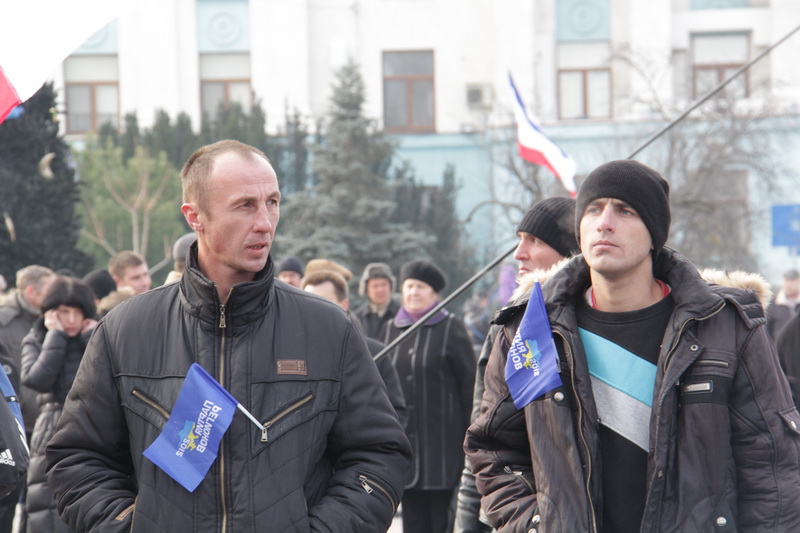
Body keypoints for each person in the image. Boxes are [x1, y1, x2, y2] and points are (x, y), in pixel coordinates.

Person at [46, 139, 411, 532]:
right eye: (245, 205)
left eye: (272, 202)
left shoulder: (329, 329)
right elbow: (78, 458)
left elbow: (379, 455)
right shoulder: (125, 330)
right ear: (195, 216)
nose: (265, 222)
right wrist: (127, 526)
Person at [465, 160, 800, 532]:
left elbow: (772, 464)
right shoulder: (530, 329)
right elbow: (493, 449)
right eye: (593, 209)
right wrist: (537, 523)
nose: (604, 223)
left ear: (654, 234)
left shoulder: (726, 326)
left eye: (625, 211)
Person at [454, 196, 579, 533]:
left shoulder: (604, 321)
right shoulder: (511, 327)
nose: (518, 253)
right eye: (520, 239)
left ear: (570, 250)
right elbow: (485, 442)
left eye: (534, 240)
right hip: (526, 519)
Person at [379, 259, 476, 533]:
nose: (413, 292)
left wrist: (471, 439)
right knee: (412, 523)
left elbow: (470, 387)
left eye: (420, 287)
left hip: (444, 451)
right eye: (409, 286)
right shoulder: (390, 330)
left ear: (434, 293)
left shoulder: (452, 329)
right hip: (405, 450)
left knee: (444, 522)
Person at [21, 276, 97, 533]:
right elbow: (36, 380)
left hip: (93, 424)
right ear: (51, 312)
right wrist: (55, 335)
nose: (72, 319)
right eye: (64, 312)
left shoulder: (96, 336)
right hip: (51, 427)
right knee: (48, 507)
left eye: (77, 312)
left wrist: (92, 338)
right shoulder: (37, 337)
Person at [301, 266, 407, 427]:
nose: (313, 310)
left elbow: (395, 415)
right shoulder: (290, 355)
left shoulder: (374, 353)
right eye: (307, 302)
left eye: (323, 302)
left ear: (344, 305)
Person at [0, 266, 55, 533]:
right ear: (32, 291)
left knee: (32, 502)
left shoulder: (52, 320)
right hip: (14, 427)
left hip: (41, 426)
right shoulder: (4, 321)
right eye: (49, 289)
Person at [354, 262, 400, 339]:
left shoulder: (401, 313)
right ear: (366, 289)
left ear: (390, 287)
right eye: (375, 286)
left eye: (384, 285)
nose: (380, 290)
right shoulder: (357, 318)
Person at [766, 268, 800, 339]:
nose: (789, 284)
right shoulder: (773, 304)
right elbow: (767, 332)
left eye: (792, 280)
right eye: (786, 280)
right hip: (778, 345)